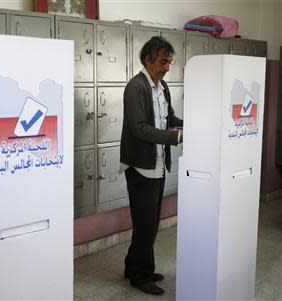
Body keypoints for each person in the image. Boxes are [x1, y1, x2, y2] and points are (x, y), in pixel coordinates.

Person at [120, 36, 183, 295]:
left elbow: (169, 118)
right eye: (163, 61)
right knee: (146, 225)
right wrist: (176, 137)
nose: (167, 66)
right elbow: (139, 129)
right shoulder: (136, 87)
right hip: (140, 167)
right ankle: (141, 276)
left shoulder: (162, 87)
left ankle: (132, 266)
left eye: (170, 61)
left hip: (157, 165)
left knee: (150, 224)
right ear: (148, 59)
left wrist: (190, 122)